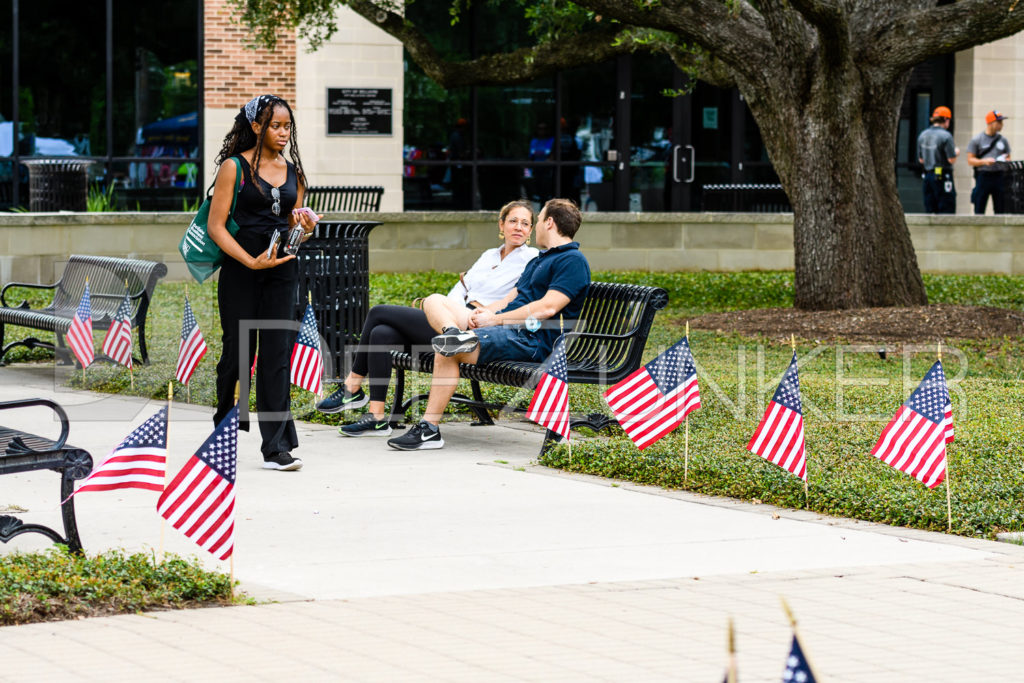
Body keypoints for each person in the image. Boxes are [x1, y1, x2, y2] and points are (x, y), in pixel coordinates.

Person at [315, 200, 539, 430]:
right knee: (381, 333)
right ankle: (376, 416)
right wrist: (444, 312)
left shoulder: (531, 259)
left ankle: (352, 387)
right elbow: (461, 290)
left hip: (479, 326)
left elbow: (517, 298)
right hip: (452, 319)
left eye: (525, 223)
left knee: (378, 312)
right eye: (513, 221)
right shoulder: (489, 255)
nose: (518, 227)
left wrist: (485, 312)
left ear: (531, 230)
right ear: (501, 225)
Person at [387, 198, 590, 451]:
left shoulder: (572, 261)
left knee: (448, 350)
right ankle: (452, 333)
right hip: (505, 329)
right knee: (435, 301)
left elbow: (547, 308)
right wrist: (484, 314)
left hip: (531, 340)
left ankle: (429, 429)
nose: (535, 226)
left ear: (549, 223)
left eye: (537, 221)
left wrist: (495, 319)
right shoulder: (541, 260)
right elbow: (515, 299)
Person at [208, 94, 319, 472]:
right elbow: (216, 227)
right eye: (276, 125)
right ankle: (224, 430)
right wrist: (248, 261)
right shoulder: (233, 168)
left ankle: (276, 447)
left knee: (275, 357)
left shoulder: (294, 174)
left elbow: (290, 226)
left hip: (282, 270)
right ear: (256, 126)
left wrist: (301, 228)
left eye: (288, 126)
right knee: (238, 356)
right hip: (241, 271)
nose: (284, 132)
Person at [967, 110, 1011, 214]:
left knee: (1000, 207)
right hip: (983, 175)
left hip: (999, 175)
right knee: (979, 206)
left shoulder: (1002, 140)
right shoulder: (977, 140)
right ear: (991, 123)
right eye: (999, 122)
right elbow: (970, 160)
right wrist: (984, 162)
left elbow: (1008, 157)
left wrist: (1004, 161)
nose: (1001, 125)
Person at [916, 106, 958, 214]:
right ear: (946, 120)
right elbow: (951, 159)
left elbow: (921, 160)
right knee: (946, 206)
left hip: (928, 174)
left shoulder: (922, 135)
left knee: (930, 207)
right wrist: (956, 152)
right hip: (942, 174)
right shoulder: (946, 136)